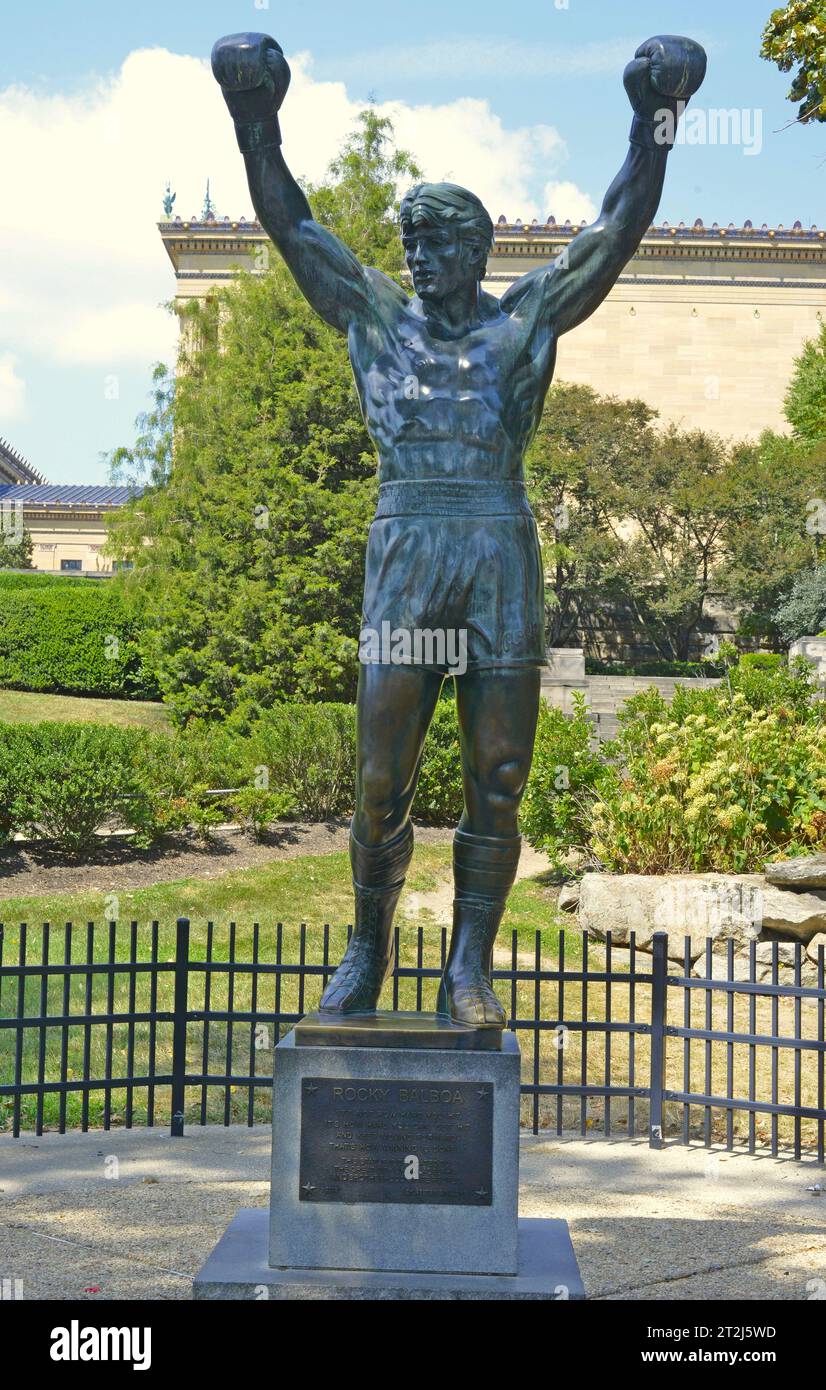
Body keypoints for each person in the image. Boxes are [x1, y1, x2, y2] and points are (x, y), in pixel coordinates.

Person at [212, 30, 706, 1024]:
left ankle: (467, 967)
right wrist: (254, 116)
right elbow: (292, 222)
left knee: (501, 772)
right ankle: (366, 948)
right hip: (407, 553)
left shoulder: (523, 321)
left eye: (440, 242)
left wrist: (657, 118)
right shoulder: (374, 319)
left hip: (496, 554)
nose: (421, 257)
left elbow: (614, 229)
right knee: (381, 772)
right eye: (412, 243)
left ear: (476, 248)